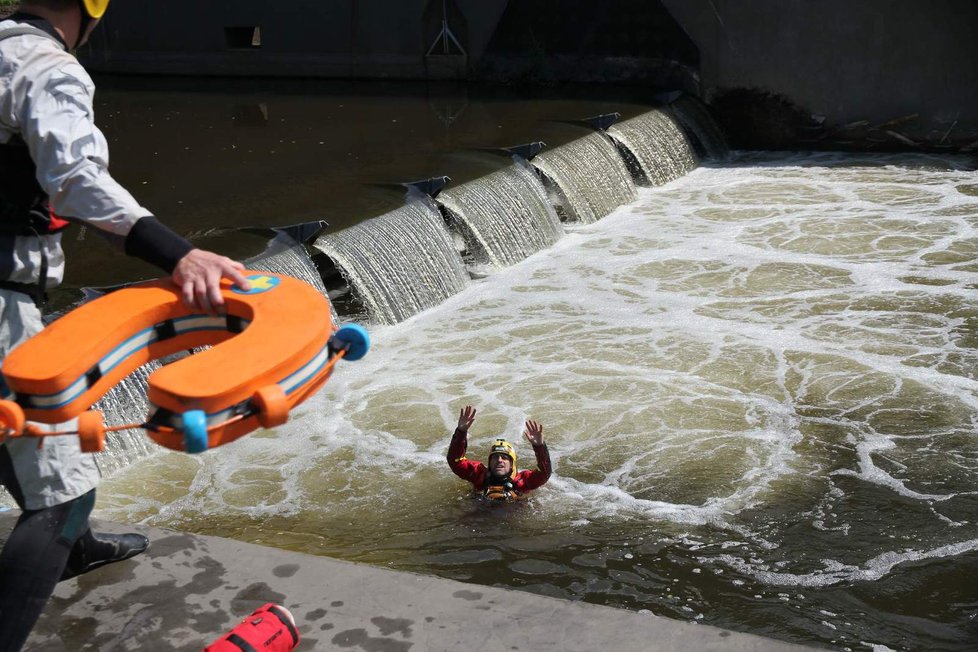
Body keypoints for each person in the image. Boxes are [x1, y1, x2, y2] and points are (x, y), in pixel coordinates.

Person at [0, 1, 251, 649]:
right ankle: (65, 544)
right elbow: (75, 178)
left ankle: (78, 551)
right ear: (91, 10)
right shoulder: (48, 66)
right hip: (1, 305)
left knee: (28, 448)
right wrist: (179, 253)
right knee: (60, 496)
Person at [447, 405, 552, 501]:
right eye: (495, 457)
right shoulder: (478, 474)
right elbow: (455, 461)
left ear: (512, 464)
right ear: (489, 462)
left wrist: (539, 446)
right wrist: (461, 431)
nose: (499, 460)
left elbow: (544, 473)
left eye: (504, 458)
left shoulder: (522, 482)